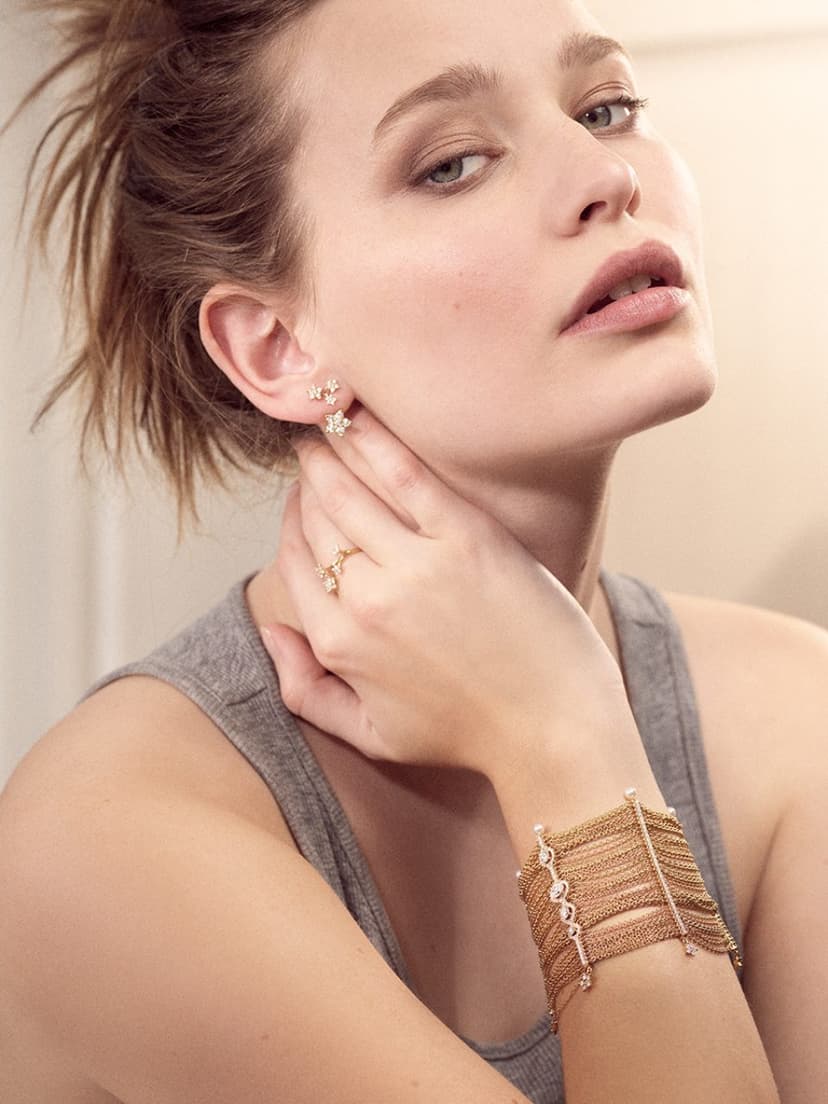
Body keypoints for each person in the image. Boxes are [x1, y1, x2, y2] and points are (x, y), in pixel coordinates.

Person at [0, 1, 824, 1101]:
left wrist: (558, 711)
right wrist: (564, 739)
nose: (605, 174)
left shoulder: (795, 717)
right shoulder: (102, 839)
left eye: (606, 108)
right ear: (277, 347)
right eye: (453, 164)